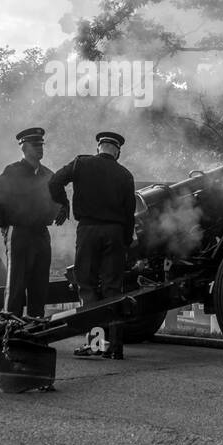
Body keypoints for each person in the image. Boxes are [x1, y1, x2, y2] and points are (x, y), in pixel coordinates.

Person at [48, 131, 136, 358]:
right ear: (117, 151)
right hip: (115, 233)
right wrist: (125, 243)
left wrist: (63, 202)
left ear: (99, 147)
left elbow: (55, 181)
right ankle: (115, 347)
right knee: (113, 289)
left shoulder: (81, 163)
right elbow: (129, 214)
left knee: (86, 285)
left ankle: (95, 344)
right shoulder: (125, 174)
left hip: (88, 231)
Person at [0, 127, 69, 318]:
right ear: (24, 147)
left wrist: (64, 205)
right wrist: (6, 227)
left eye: (41, 145)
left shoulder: (48, 175)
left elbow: (59, 198)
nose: (40, 148)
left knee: (39, 286)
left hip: (41, 233)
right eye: (35, 145)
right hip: (19, 232)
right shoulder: (12, 172)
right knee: (16, 286)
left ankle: (35, 329)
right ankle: (10, 331)